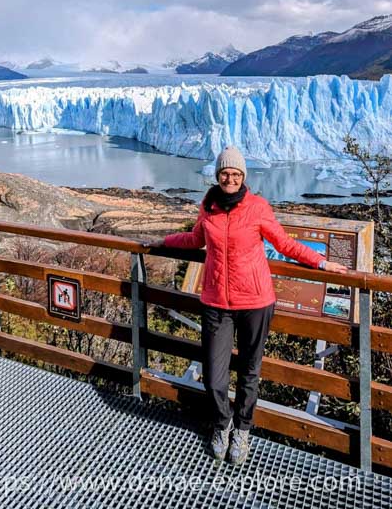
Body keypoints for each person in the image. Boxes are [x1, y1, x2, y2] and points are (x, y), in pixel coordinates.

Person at [146, 146, 348, 466]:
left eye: (236, 174)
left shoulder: (257, 207)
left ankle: (242, 428)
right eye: (225, 173)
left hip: (255, 301)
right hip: (216, 301)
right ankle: (222, 424)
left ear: (243, 177)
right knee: (214, 376)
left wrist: (322, 264)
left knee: (250, 371)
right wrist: (162, 242)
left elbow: (285, 244)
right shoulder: (209, 207)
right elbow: (195, 239)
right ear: (217, 175)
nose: (230, 178)